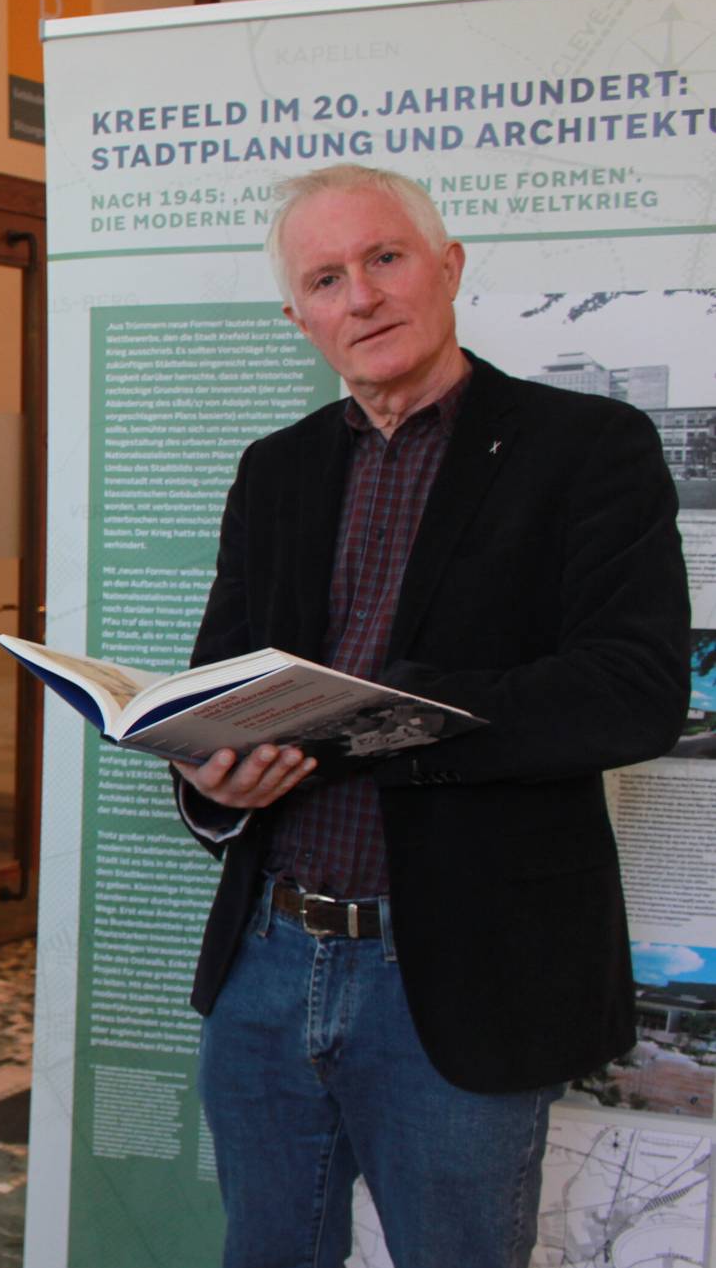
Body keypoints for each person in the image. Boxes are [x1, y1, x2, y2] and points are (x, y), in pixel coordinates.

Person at [170, 163, 688, 1268]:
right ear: (297, 316)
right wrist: (209, 778)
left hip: (459, 971)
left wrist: (382, 724)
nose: (359, 295)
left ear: (447, 267)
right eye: (324, 278)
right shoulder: (275, 471)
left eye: (384, 258)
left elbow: (633, 684)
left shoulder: (587, 448)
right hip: (267, 956)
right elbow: (219, 679)